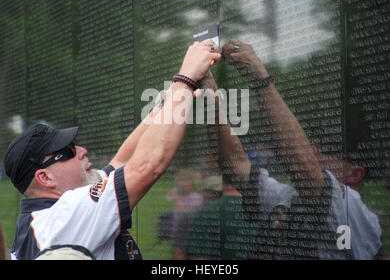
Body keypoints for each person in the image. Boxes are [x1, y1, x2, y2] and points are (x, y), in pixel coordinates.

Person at [3, 39, 221, 260]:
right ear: (45, 177)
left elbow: (121, 162)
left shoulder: (37, 218)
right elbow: (146, 166)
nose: (81, 150)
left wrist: (169, 102)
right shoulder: (65, 214)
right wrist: (184, 79)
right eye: (67, 151)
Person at [206, 39, 382, 259]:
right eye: (316, 142)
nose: (315, 149)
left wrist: (261, 80)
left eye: (328, 149)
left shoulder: (354, 211)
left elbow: (304, 168)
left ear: (354, 174)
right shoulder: (289, 196)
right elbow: (235, 164)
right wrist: (210, 94)